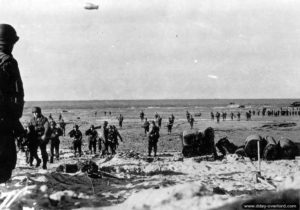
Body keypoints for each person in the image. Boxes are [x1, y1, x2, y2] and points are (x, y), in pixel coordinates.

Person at [0, 24, 24, 183]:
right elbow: (14, 96)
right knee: (5, 163)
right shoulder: (8, 62)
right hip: (4, 121)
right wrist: (14, 121)